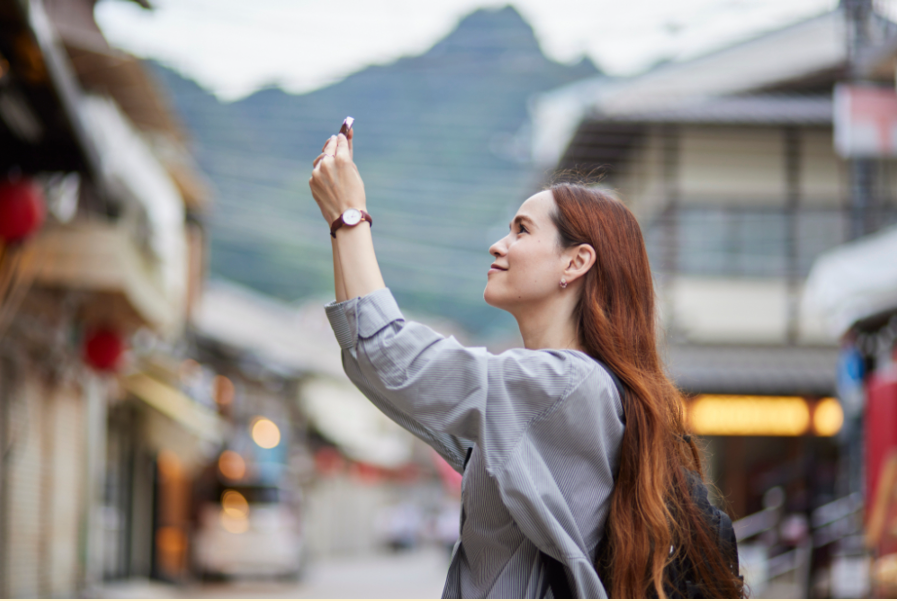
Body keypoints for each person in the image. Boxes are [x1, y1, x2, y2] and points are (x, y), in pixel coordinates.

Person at [309, 130, 744, 598]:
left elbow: (387, 355)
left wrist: (349, 215)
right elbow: (376, 362)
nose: (499, 245)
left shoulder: (567, 385)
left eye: (521, 230)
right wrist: (340, 225)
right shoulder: (552, 397)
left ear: (576, 263)